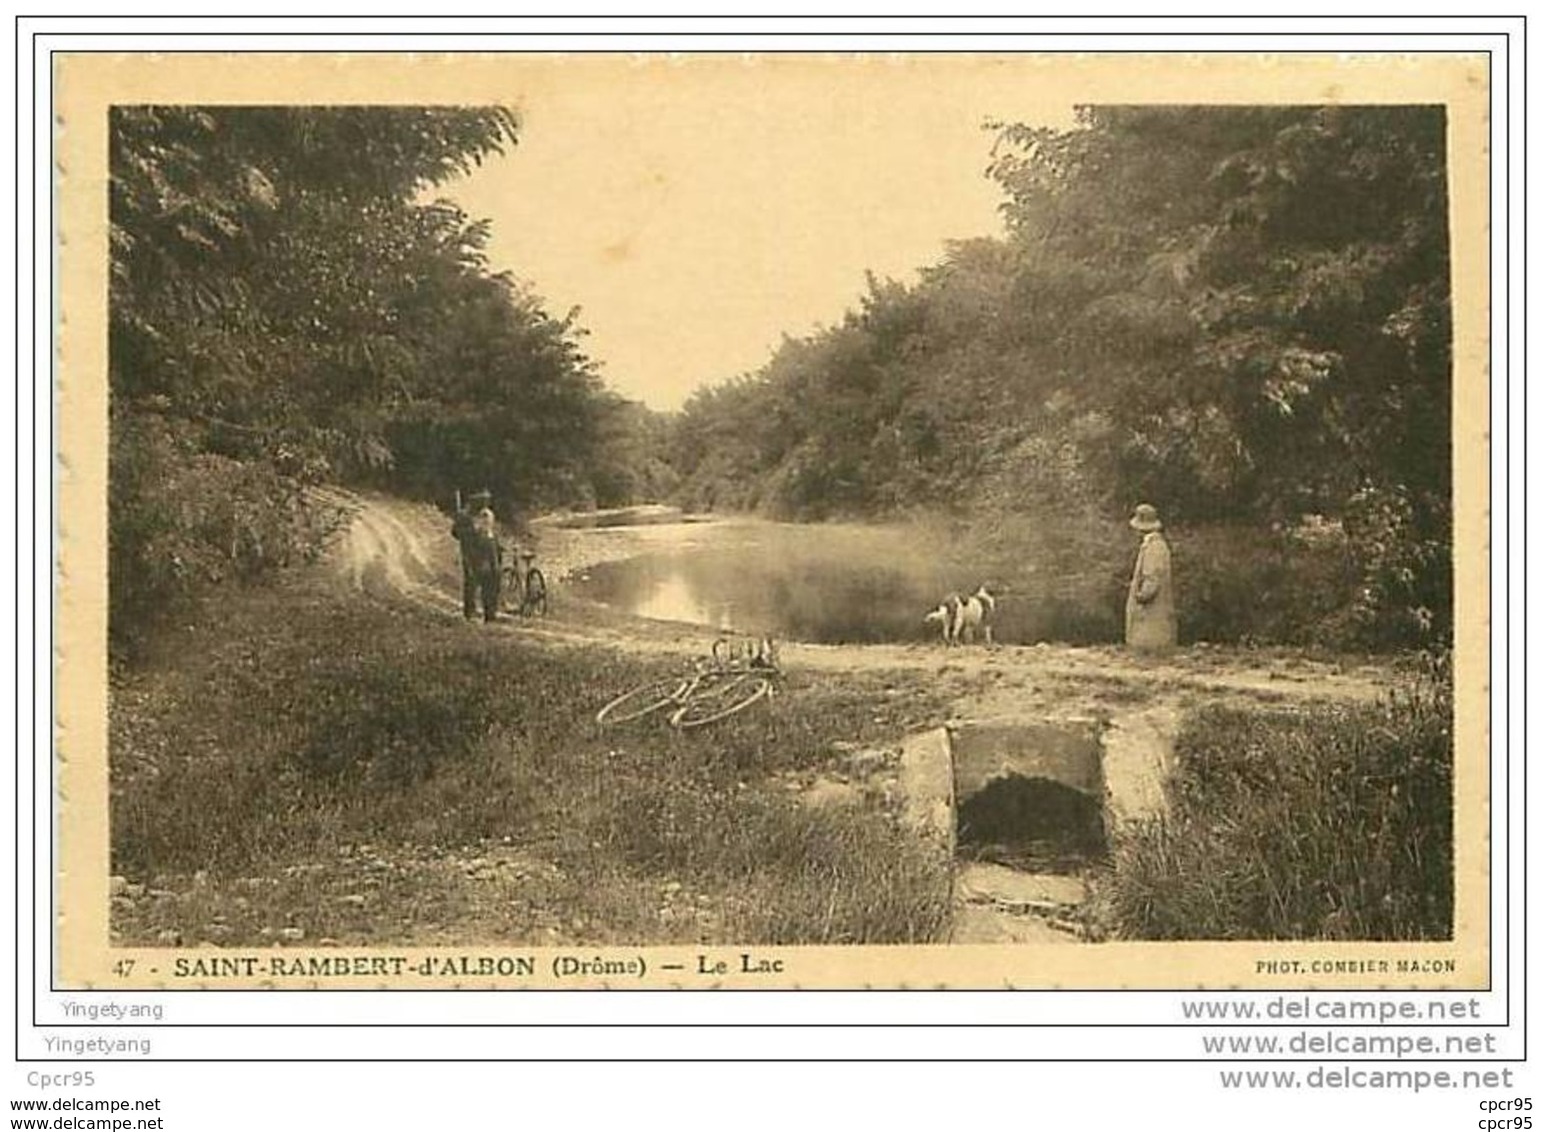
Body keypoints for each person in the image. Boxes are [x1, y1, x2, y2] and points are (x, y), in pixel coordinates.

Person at [1125, 503, 1177, 652]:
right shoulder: (1155, 545)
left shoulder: (1154, 547)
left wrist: (1140, 596)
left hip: (1151, 610)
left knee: (1149, 639)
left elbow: (1152, 578)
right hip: (1153, 608)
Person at [451, 489, 502, 622]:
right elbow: (455, 532)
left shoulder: (487, 514)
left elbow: (491, 532)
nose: (485, 502)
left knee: (490, 582)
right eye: (483, 500)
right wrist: (468, 534)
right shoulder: (465, 516)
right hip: (472, 550)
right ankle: (470, 612)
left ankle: (490, 612)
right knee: (472, 581)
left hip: (488, 549)